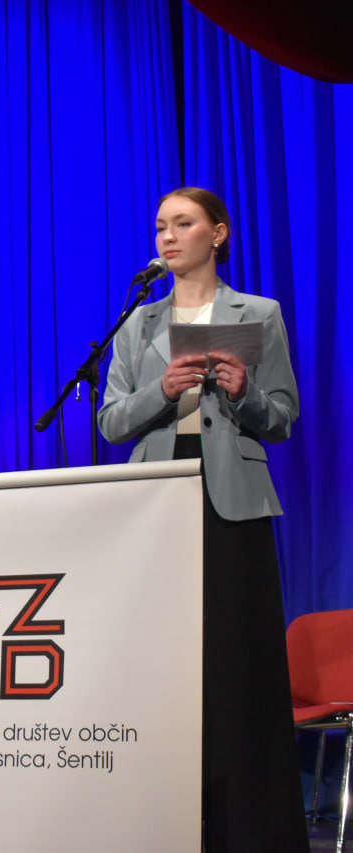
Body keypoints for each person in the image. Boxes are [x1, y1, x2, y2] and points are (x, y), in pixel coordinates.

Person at [99, 188, 306, 852]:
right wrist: (161, 390)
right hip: (157, 503)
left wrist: (246, 394)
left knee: (237, 664)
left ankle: (250, 827)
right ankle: (162, 819)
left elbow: (283, 417)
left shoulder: (259, 313)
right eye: (160, 225)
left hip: (231, 503)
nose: (167, 235)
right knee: (162, 663)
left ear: (217, 234)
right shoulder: (138, 322)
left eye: (183, 223)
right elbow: (110, 422)